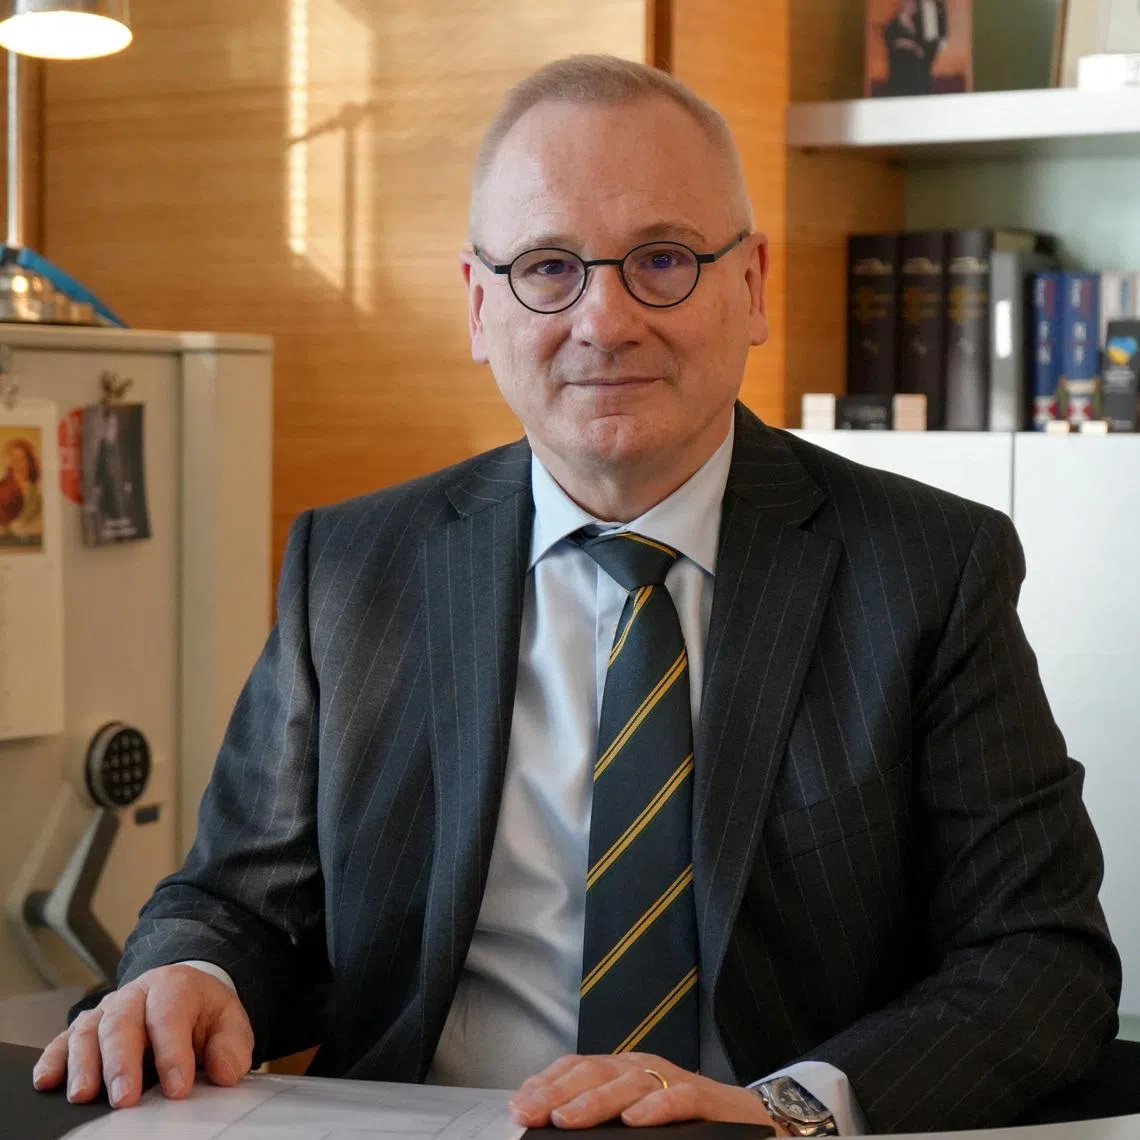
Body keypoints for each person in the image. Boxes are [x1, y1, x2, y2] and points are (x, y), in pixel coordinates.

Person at [34, 54, 1120, 1135]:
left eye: (662, 260)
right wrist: (191, 977)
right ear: (477, 304)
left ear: (752, 286)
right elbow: (233, 903)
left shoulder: (929, 567)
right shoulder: (355, 568)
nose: (604, 321)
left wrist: (786, 1109)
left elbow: (1041, 958)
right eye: (548, 268)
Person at [882, 0, 946, 96]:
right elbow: (891, 41)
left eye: (913, 4)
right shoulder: (893, 24)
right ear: (902, 4)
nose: (910, 6)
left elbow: (926, 49)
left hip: (919, 77)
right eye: (907, 3)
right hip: (900, 77)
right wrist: (912, 45)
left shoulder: (919, 24)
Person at [0, 436, 43, 540]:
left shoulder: (37, 495)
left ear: (29, 462)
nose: (18, 465)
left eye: (21, 460)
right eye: (14, 460)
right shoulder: (3, 487)